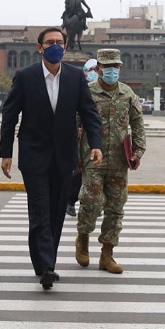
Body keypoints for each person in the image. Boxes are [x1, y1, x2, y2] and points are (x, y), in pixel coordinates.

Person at [0, 27, 103, 290]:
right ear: (40, 47)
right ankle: (47, 266)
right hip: (33, 154)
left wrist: (96, 145)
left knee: (56, 211)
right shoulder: (25, 77)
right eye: (50, 42)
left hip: (64, 156)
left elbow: (89, 112)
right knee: (39, 210)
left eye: (60, 42)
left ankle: (45, 262)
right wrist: (6, 153)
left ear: (65, 47)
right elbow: (10, 116)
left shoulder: (75, 77)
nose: (55, 46)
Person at [75, 48, 146, 274]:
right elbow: (75, 122)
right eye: (107, 67)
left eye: (115, 67)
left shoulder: (127, 94)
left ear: (120, 68)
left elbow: (137, 123)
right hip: (92, 157)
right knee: (92, 200)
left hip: (119, 159)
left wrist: (138, 150)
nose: (111, 71)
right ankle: (83, 238)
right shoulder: (87, 93)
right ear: (98, 69)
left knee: (116, 207)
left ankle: (107, 254)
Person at [66, 58, 99, 217]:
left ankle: (95, 203)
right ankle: (70, 201)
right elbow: (72, 112)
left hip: (97, 138)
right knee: (78, 172)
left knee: (97, 173)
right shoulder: (79, 86)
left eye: (96, 68)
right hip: (80, 138)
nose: (94, 72)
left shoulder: (102, 89)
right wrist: (75, 129)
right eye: (90, 69)